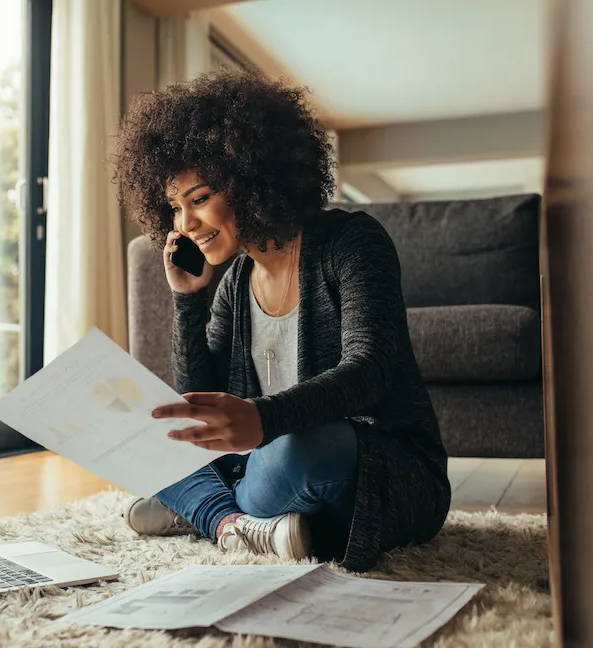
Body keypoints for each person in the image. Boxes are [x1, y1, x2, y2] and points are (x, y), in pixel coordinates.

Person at [112, 69, 450, 571]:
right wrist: (187, 299)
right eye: (176, 208)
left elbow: (371, 369)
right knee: (166, 440)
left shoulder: (351, 243)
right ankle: (242, 525)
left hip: (377, 470)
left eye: (200, 199)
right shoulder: (234, 281)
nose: (185, 224)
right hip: (271, 466)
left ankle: (209, 509)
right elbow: (199, 403)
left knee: (295, 450)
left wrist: (262, 420)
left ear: (252, 176)